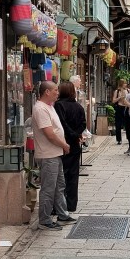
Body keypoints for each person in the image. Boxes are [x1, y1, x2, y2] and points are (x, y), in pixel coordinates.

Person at [31, 81, 75, 230]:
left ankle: (62, 214)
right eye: (55, 90)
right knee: (48, 188)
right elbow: (49, 134)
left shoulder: (49, 106)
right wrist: (64, 145)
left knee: (59, 186)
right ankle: (44, 220)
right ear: (47, 92)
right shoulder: (40, 109)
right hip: (48, 154)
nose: (58, 93)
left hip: (55, 154)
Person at [55, 80, 87, 212]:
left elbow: (61, 124)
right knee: (73, 175)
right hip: (74, 144)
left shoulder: (59, 105)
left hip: (62, 143)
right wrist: (76, 134)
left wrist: (71, 134)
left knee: (61, 175)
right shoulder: (78, 106)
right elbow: (83, 123)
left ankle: (60, 205)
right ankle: (72, 204)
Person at [112, 77, 130, 146]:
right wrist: (119, 98)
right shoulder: (117, 91)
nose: (125, 84)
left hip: (126, 108)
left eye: (126, 83)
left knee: (127, 124)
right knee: (118, 124)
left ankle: (129, 137)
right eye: (124, 83)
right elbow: (113, 101)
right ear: (121, 84)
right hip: (119, 108)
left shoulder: (128, 91)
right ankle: (119, 139)